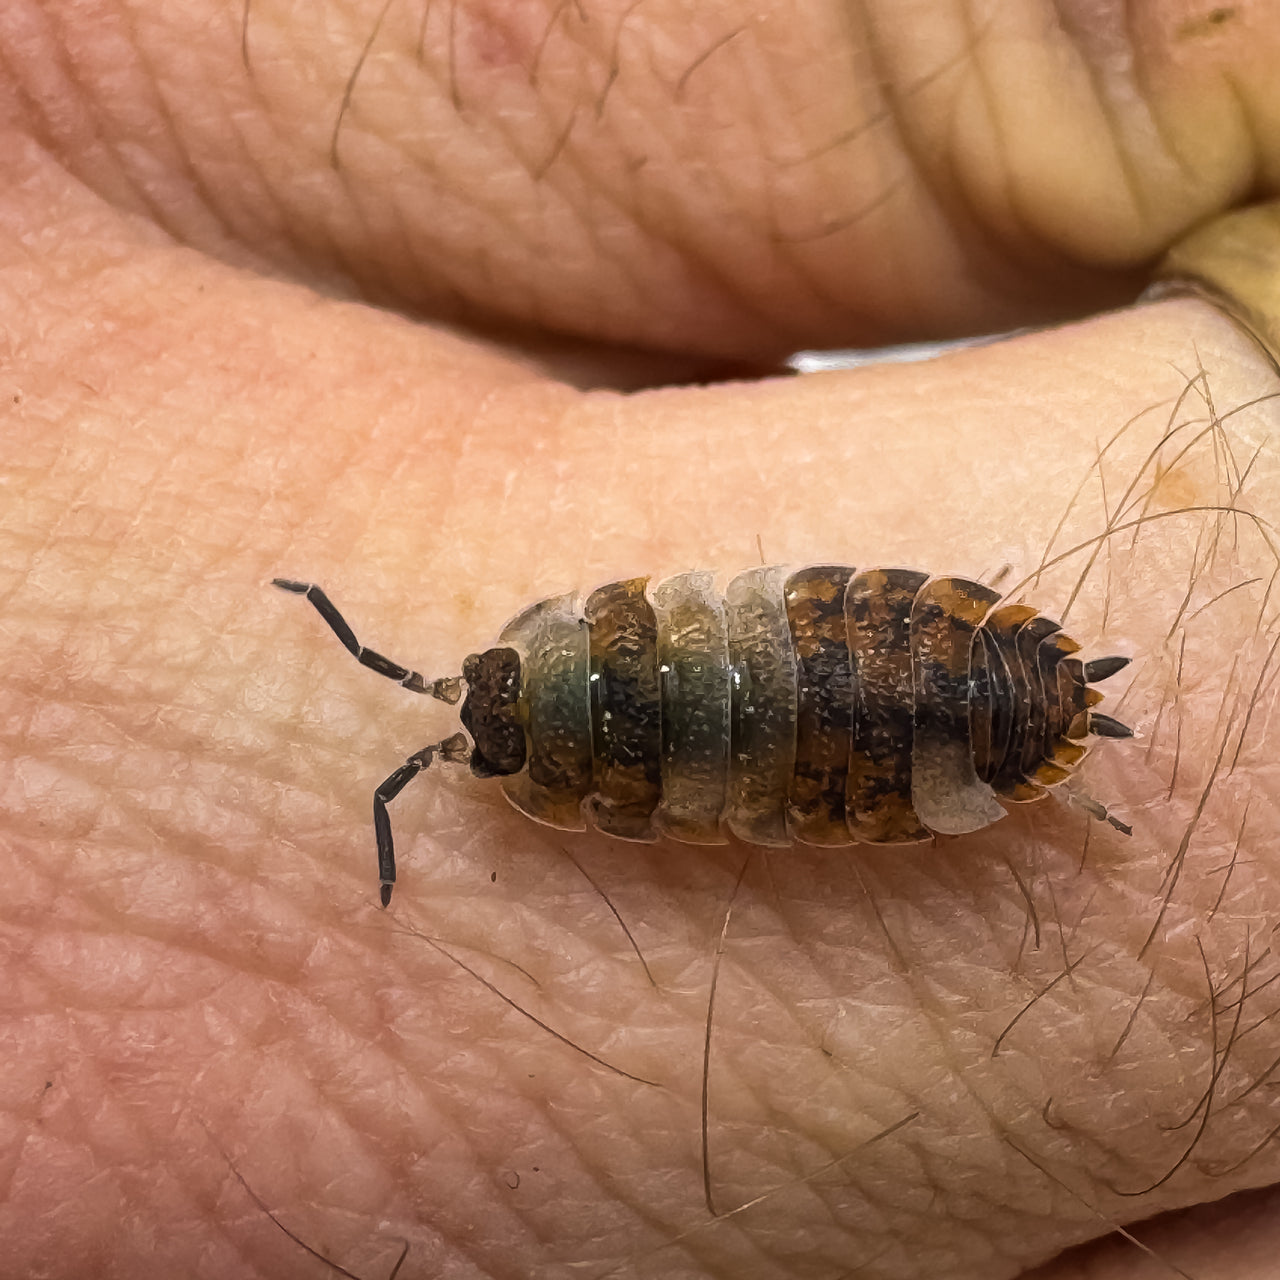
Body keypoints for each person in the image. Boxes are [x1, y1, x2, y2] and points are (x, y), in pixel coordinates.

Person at [4, 4, 1280, 1277]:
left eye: (477, 690)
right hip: (911, 656)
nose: (470, 707)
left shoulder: (636, 791)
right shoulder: (624, 644)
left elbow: (743, 803)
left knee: (799, 723)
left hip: (900, 728)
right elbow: (744, 616)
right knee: (798, 670)